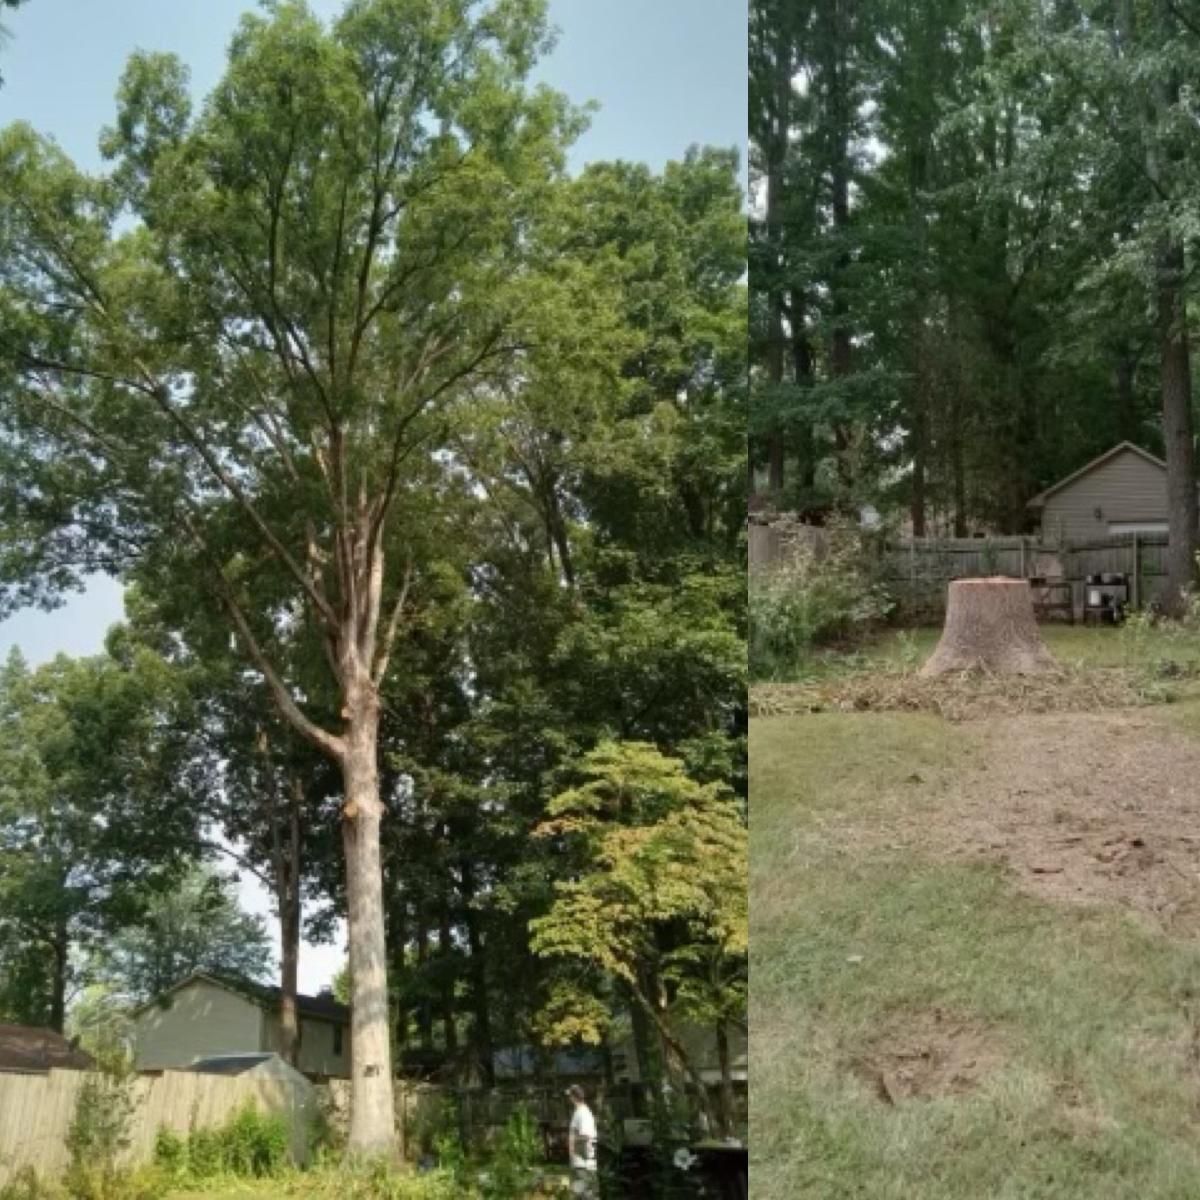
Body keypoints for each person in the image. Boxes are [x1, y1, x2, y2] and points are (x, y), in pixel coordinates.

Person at [566, 1084, 598, 1196]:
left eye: (569, 1096)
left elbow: (586, 1136)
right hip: (579, 1164)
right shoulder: (579, 1112)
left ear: (574, 1097)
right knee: (580, 1195)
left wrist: (572, 1141)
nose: (569, 1099)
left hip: (584, 1165)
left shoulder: (583, 1113)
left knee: (587, 1195)